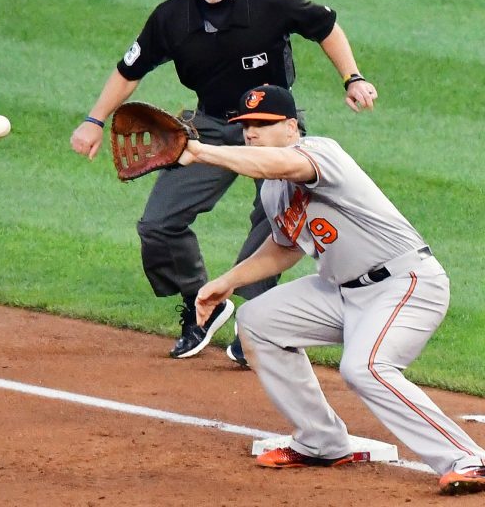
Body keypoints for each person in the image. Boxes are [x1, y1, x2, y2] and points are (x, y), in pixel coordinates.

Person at [70, 0, 378, 360]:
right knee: (158, 224)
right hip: (209, 125)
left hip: (273, 129)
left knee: (277, 221)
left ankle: (257, 325)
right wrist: (93, 120)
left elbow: (325, 26)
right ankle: (204, 305)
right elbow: (129, 70)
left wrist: (353, 77)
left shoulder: (271, 2)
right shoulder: (171, 18)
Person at [184, 85, 485, 495]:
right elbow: (284, 247)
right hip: (344, 292)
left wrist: (201, 152)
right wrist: (226, 282)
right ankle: (322, 441)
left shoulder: (320, 152)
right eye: (245, 125)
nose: (250, 133)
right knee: (256, 322)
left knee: (365, 368)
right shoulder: (273, 190)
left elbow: (279, 165)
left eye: (262, 124)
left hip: (405, 284)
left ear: (291, 128)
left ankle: (467, 458)